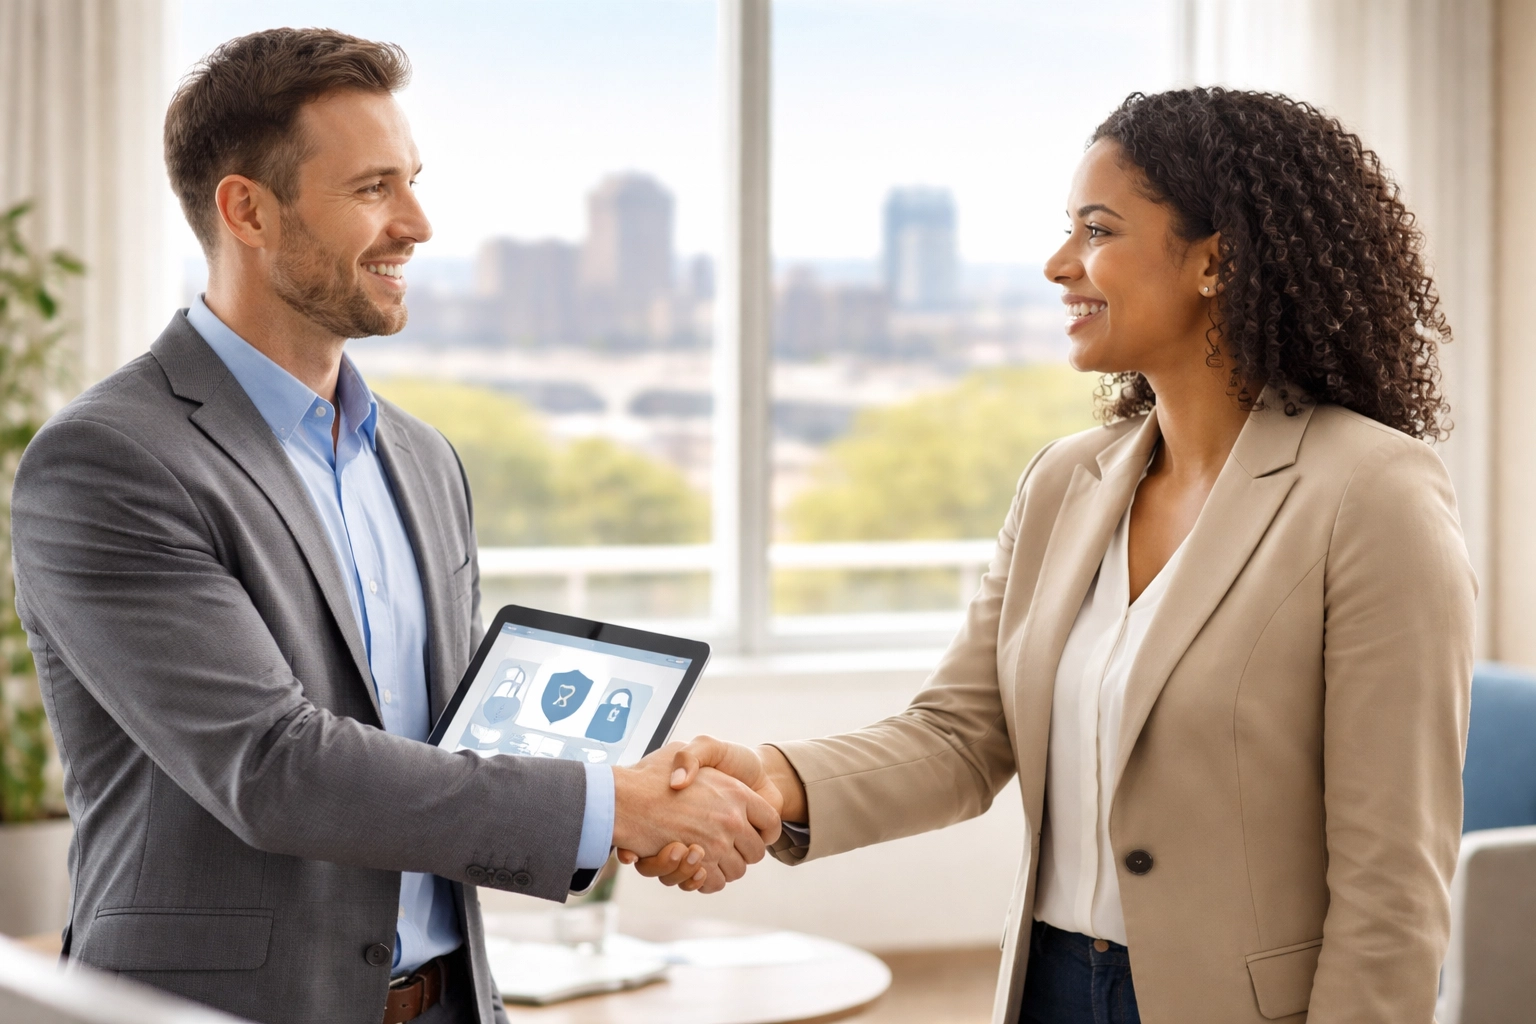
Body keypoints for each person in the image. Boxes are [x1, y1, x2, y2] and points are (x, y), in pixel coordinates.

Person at [628, 87, 1476, 1024]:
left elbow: (1392, 878)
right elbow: (961, 734)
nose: (1058, 264)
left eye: (1098, 231)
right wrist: (773, 777)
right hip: (1052, 990)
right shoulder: (1066, 481)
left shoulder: (1370, 491)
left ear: (1215, 260)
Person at [9, 28, 777, 1024]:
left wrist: (634, 801)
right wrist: (614, 802)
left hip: (452, 1002)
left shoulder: (419, 459)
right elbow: (275, 768)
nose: (416, 222)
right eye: (374, 188)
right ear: (247, 208)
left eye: (411, 181)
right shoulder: (113, 459)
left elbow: (447, 748)